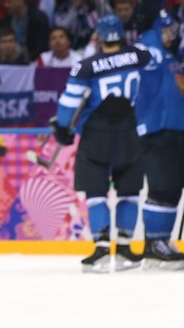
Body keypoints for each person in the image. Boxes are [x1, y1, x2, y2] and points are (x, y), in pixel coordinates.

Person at [51, 14, 153, 272]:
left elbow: (69, 103)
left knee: (96, 192)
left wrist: (62, 127)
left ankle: (102, 248)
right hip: (129, 130)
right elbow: (146, 49)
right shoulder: (139, 56)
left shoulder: (86, 67)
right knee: (129, 191)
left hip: (97, 133)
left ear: (97, 37)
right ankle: (126, 248)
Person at [133, 12, 184, 269]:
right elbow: (140, 55)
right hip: (157, 129)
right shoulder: (148, 51)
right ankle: (152, 243)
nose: (173, 35)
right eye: (169, 30)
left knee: (172, 187)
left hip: (175, 128)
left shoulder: (170, 57)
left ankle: (163, 240)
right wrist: (151, 35)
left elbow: (175, 90)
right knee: (160, 187)